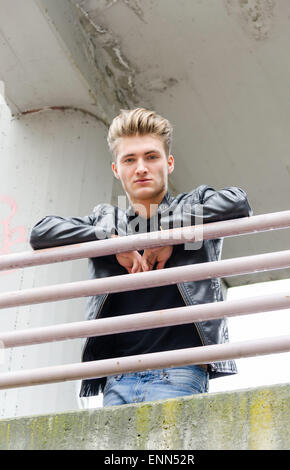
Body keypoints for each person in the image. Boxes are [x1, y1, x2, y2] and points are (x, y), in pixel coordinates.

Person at [30, 108, 253, 406]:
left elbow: (238, 203)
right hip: (118, 378)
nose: (141, 168)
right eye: (130, 159)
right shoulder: (107, 221)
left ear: (169, 163)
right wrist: (109, 243)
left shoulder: (194, 203)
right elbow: (41, 232)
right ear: (116, 169)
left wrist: (170, 233)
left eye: (151, 156)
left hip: (180, 371)